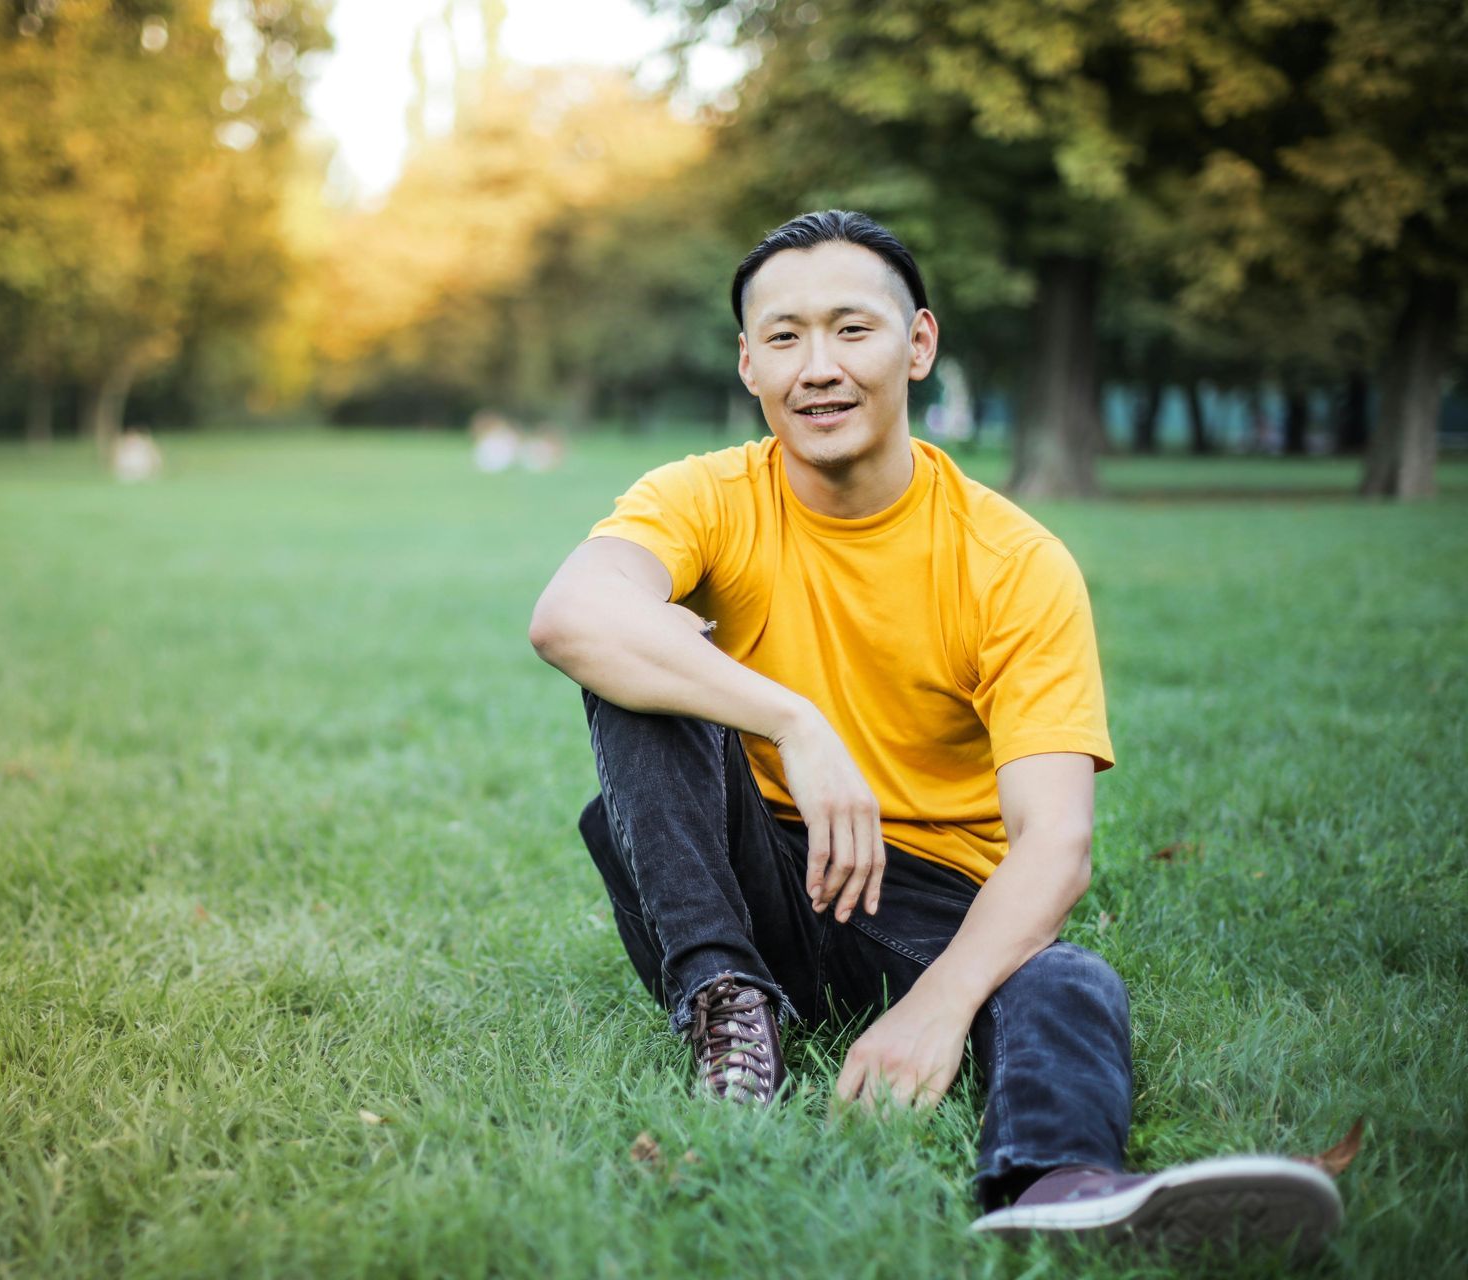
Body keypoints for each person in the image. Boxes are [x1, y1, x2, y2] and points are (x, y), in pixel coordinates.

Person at [527, 211, 1343, 1258]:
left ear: (917, 344)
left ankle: (1060, 1182)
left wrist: (941, 1003)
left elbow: (1055, 842)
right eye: (784, 337)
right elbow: (569, 615)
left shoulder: (1012, 560)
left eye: (850, 330)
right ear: (748, 363)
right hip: (744, 867)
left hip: (920, 902)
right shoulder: (706, 495)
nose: (817, 367)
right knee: (643, 654)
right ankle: (732, 1015)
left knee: (1069, 979)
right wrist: (795, 719)